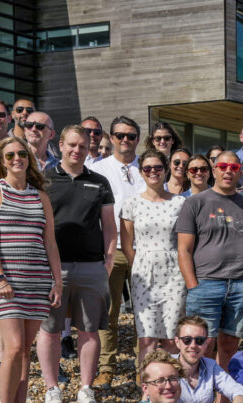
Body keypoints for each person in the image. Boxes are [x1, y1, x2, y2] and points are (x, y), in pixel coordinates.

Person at [0, 137, 61, 403]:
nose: (17, 159)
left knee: (25, 350)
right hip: (5, 281)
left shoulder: (41, 197)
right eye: (10, 154)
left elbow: (49, 241)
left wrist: (57, 281)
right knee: (11, 348)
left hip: (37, 280)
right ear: (1, 160)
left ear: (29, 159)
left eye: (22, 154)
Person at [37, 125, 116, 403]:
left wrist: (107, 262)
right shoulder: (43, 179)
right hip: (51, 269)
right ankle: (52, 387)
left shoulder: (100, 181)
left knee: (89, 330)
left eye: (82, 146)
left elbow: (109, 227)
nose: (77, 150)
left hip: (91, 266)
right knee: (50, 329)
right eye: (72, 145)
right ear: (60, 145)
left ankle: (86, 388)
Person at [175, 151, 243, 369]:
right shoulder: (194, 203)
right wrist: (193, 285)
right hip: (205, 284)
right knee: (201, 346)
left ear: (240, 173)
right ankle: (200, 399)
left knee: (230, 346)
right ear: (214, 170)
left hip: (241, 286)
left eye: (234, 168)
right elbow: (184, 249)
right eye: (223, 166)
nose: (228, 172)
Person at [92, 115, 145, 388]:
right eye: (120, 135)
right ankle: (106, 367)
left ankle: (143, 368)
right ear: (111, 138)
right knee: (108, 312)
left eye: (131, 135)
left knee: (143, 313)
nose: (126, 140)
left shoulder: (148, 168)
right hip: (111, 249)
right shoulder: (98, 169)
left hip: (144, 250)